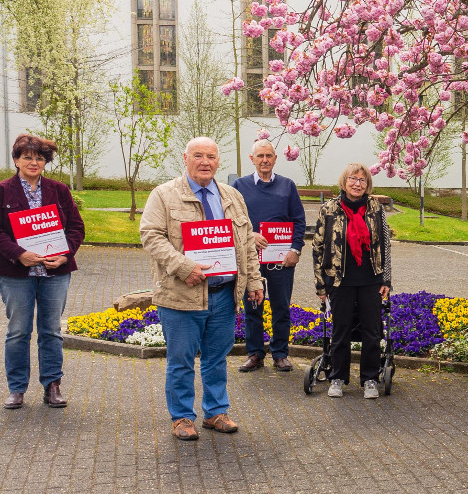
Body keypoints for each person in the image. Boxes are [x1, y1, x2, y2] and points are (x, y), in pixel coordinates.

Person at [140, 137, 264, 441]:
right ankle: (182, 417)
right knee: (181, 360)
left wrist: (255, 280)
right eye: (198, 155)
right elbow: (151, 236)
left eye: (211, 156)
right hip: (181, 296)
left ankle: (215, 412)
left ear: (218, 161)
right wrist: (183, 267)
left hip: (223, 296)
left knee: (216, 358)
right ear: (185, 158)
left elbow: (247, 242)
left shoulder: (232, 196)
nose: (205, 161)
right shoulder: (164, 195)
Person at [0, 134, 85, 410]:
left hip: (54, 273)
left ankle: (52, 386)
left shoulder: (59, 190)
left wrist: (65, 255)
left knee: (51, 330)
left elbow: (76, 228)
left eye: (40, 157)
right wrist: (20, 254)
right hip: (15, 273)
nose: (34, 162)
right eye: (27, 157)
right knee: (18, 331)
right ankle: (16, 389)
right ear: (16, 160)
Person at [311, 163, 392, 400]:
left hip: (370, 279)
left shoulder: (376, 208)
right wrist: (320, 284)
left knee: (371, 332)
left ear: (368, 184)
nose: (357, 184)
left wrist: (386, 278)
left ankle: (369, 379)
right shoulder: (329, 209)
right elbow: (317, 247)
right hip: (338, 281)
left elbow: (385, 245)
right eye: (353, 179)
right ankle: (337, 377)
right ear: (344, 182)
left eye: (362, 180)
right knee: (340, 331)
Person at [232, 140, 307, 373]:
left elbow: (299, 220)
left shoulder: (287, 186)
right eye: (260, 156)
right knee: (252, 306)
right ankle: (255, 353)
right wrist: (250, 235)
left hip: (281, 260)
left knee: (281, 307)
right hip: (250, 259)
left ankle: (280, 354)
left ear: (275, 159)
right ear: (251, 159)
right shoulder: (239, 186)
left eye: (269, 156)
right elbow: (232, 221)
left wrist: (295, 250)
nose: (264, 160)